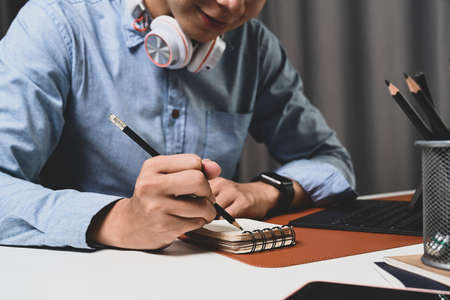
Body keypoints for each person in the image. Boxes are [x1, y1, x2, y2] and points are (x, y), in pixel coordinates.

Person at [0, 0, 355, 250]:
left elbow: (331, 162)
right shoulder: (55, 25)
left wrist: (261, 193)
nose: (233, 5)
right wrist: (118, 220)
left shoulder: (256, 48)